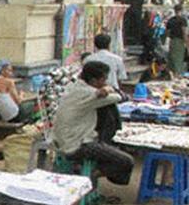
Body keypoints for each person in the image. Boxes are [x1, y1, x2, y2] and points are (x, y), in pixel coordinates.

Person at [51, 60, 134, 192]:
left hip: (63, 138)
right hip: (77, 144)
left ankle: (84, 170)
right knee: (126, 161)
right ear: (94, 80)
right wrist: (109, 89)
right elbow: (119, 97)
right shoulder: (89, 93)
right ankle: (90, 176)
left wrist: (106, 88)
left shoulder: (72, 87)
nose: (105, 83)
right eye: (104, 80)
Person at [83, 34, 126, 141]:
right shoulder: (117, 59)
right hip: (110, 95)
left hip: (92, 95)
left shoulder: (88, 59)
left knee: (95, 122)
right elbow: (121, 79)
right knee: (109, 122)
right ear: (109, 44)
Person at [165, 5, 187, 76]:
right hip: (180, 41)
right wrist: (187, 43)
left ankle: (171, 75)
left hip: (172, 41)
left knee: (171, 59)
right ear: (181, 10)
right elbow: (184, 32)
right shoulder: (183, 20)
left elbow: (167, 33)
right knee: (178, 59)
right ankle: (178, 76)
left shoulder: (170, 20)